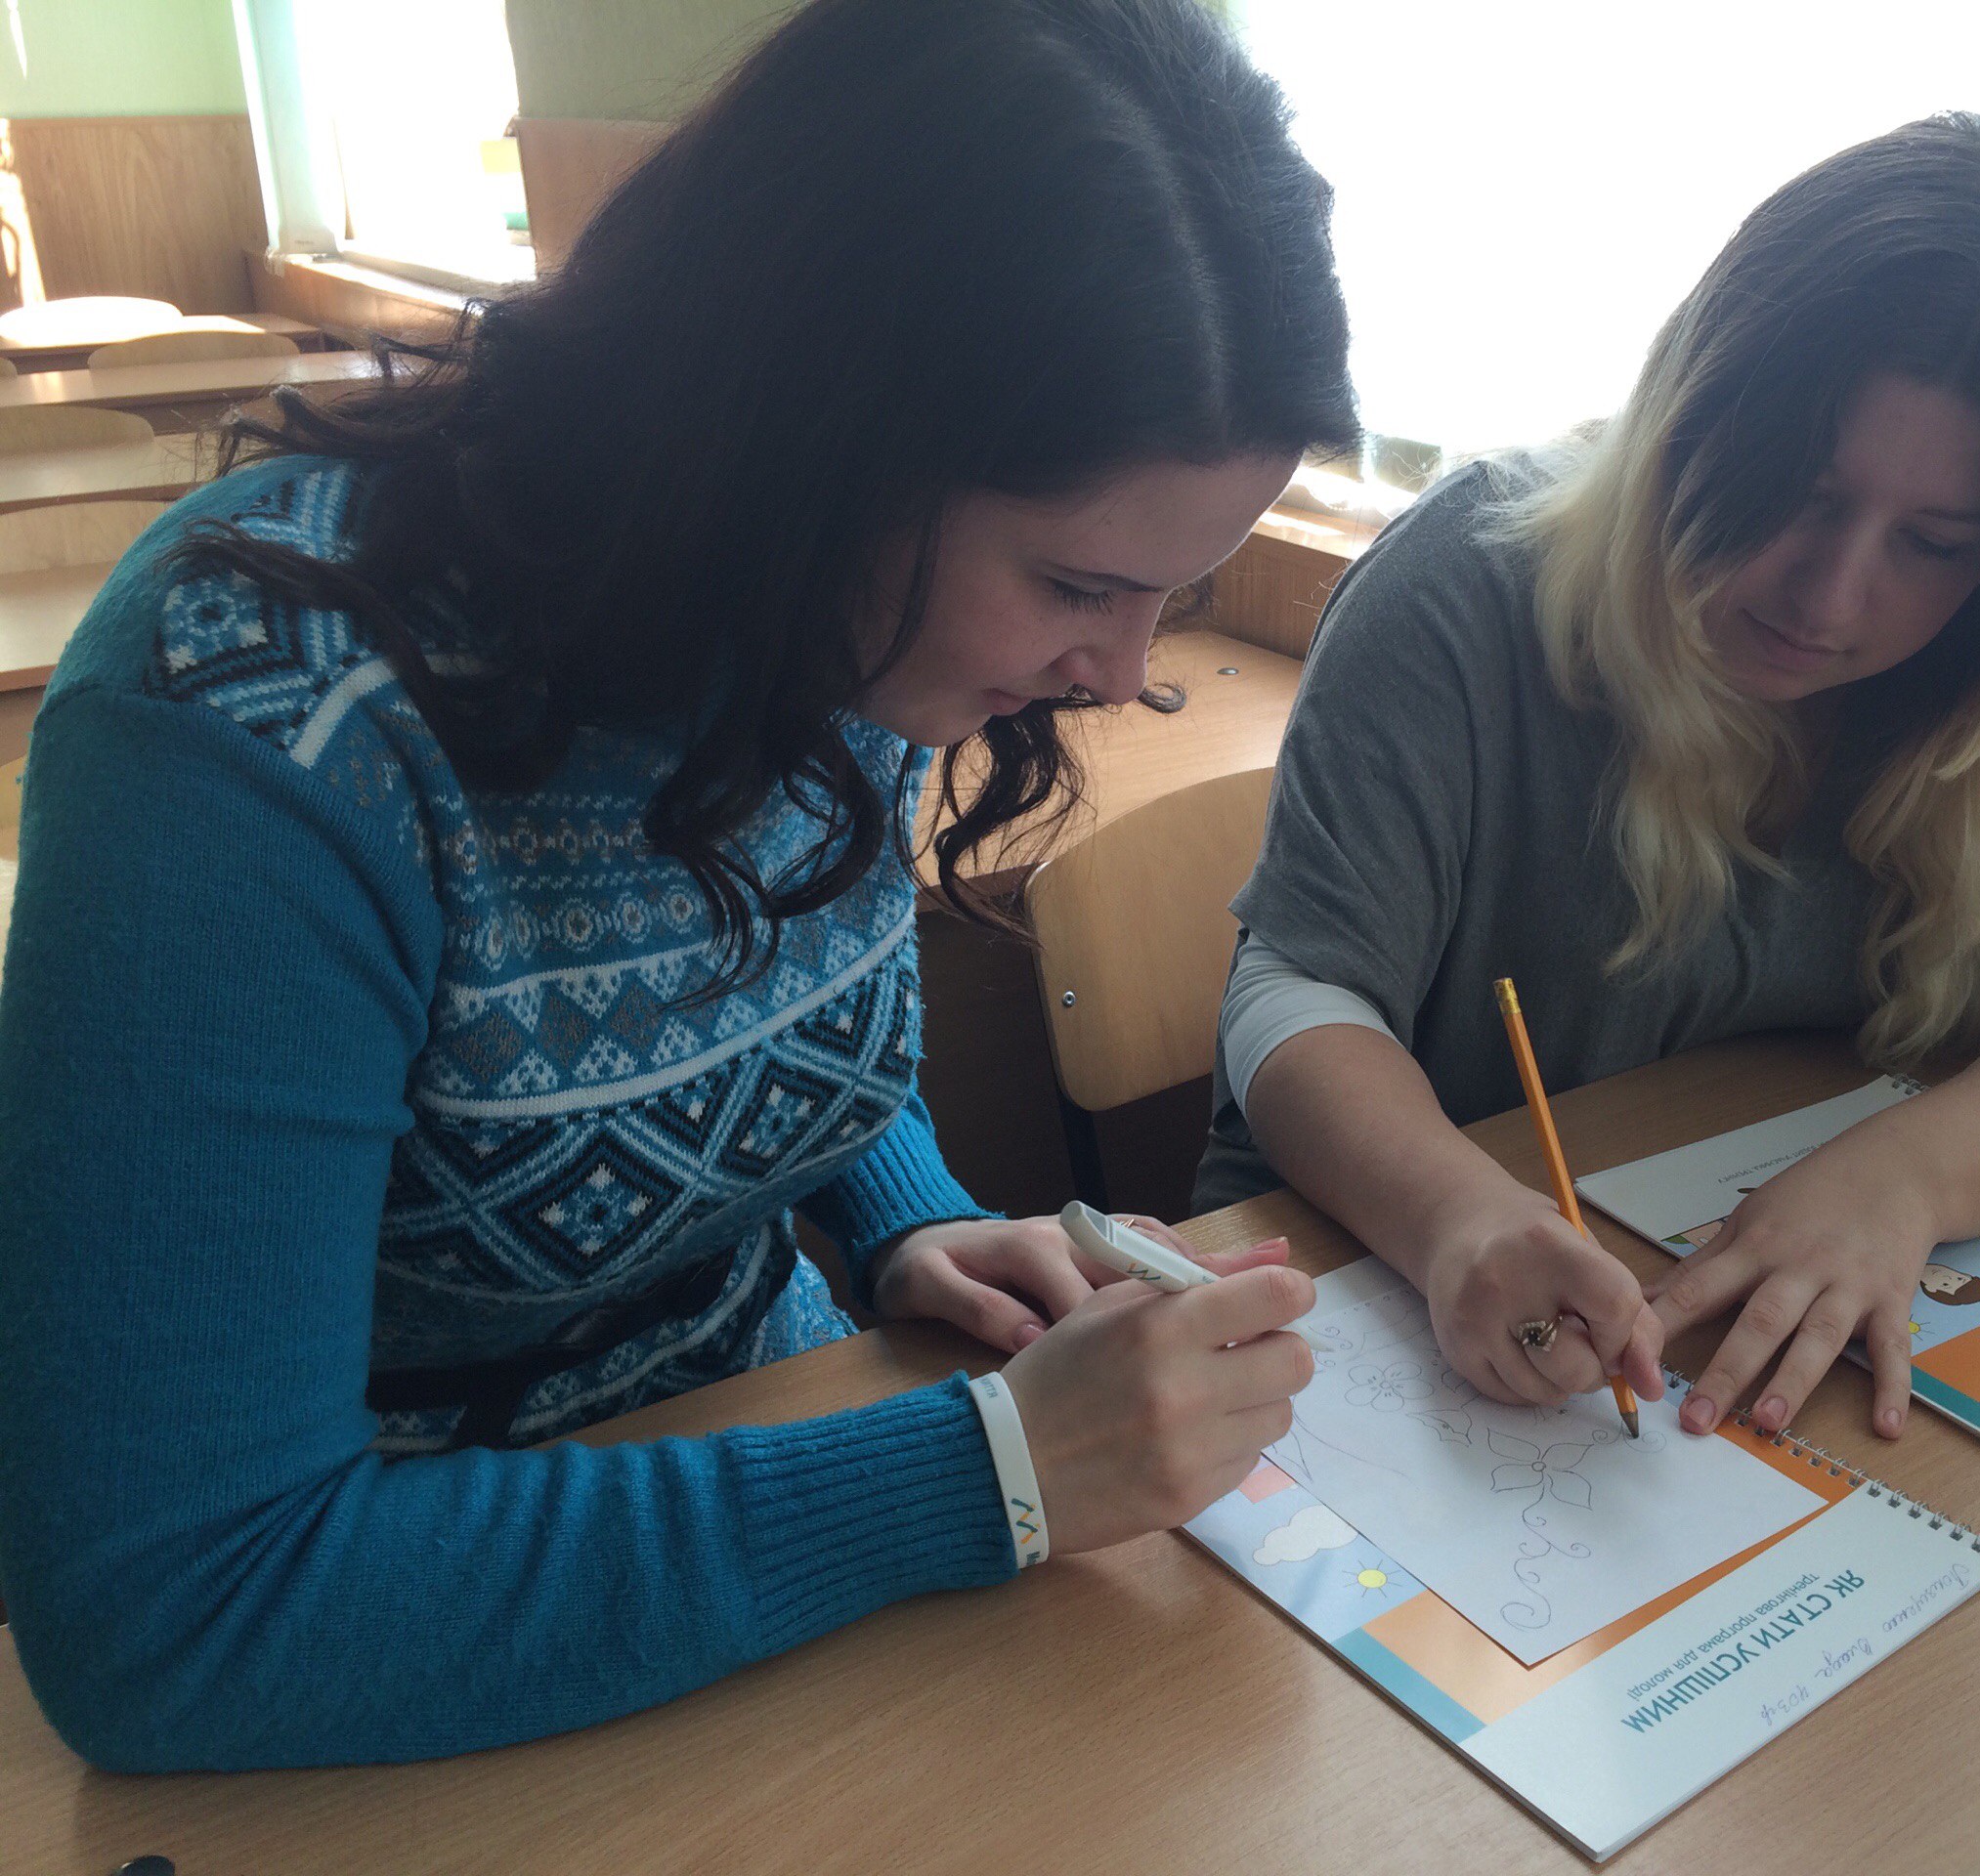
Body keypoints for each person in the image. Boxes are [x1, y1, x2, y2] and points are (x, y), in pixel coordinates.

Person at [0, 0, 1355, 1770]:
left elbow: (742, 996)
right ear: (814, 444)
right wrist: (991, 1473)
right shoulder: (255, 729)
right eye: (1079, 586)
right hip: (397, 1653)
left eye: (1177, 591)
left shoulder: (838, 619)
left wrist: (905, 1209)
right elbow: (177, 1615)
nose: (1120, 674)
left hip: (761, 1495)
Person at [1200, 114, 1980, 1452]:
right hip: (1373, 1305)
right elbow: (1294, 991)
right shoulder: (1472, 580)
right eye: (1799, 493)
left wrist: (1902, 1182)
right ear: (1691, 420)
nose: (1830, 597)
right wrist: (1458, 1217)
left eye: (1933, 544)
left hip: (1702, 1334)